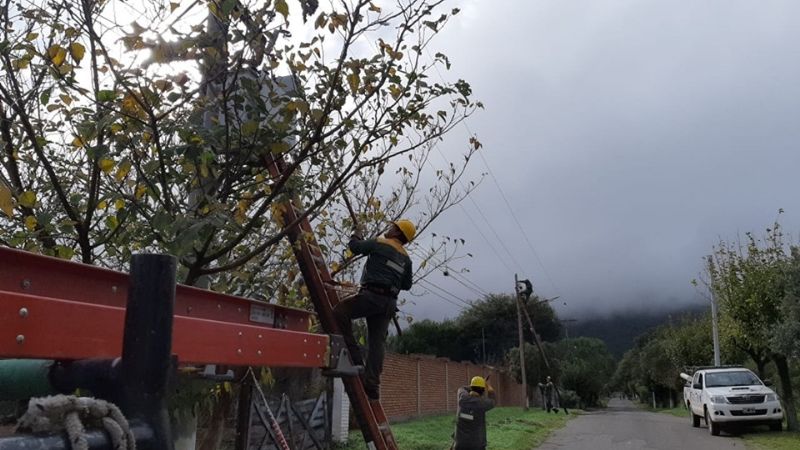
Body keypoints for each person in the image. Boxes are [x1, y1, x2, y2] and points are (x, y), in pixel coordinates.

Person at [333, 219, 415, 400]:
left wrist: (357, 232)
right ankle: (372, 384)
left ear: (397, 232)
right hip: (388, 304)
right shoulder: (406, 259)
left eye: (393, 227)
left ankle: (354, 356)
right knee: (377, 344)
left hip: (372, 296)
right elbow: (407, 285)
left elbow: (355, 247)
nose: (389, 228)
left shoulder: (380, 244)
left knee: (340, 312)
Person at [453, 376, 496, 450]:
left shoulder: (462, 398)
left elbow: (462, 388)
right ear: (482, 391)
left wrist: (474, 385)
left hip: (459, 445)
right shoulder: (483, 403)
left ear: (471, 388)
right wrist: (486, 384)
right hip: (477, 446)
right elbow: (493, 399)